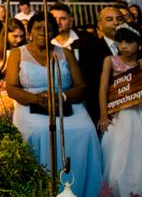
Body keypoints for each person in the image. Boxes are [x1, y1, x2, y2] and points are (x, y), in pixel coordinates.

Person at [6, 13, 102, 197]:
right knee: (41, 131)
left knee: (86, 130)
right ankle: (41, 189)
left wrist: (61, 96)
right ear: (30, 31)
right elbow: (11, 87)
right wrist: (36, 99)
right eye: (38, 28)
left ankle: (79, 188)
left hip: (65, 101)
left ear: (54, 31)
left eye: (48, 28)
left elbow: (81, 85)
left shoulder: (64, 52)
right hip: (30, 102)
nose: (43, 32)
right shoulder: (18, 53)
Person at [98, 23, 142, 196]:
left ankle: (139, 190)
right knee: (118, 154)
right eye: (120, 42)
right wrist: (103, 115)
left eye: (129, 42)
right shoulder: (110, 61)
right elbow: (103, 88)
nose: (123, 46)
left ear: (140, 44)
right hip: (119, 115)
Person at [79, 5, 142, 124]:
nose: (115, 23)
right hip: (109, 115)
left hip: (141, 109)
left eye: (119, 19)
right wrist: (102, 114)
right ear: (100, 25)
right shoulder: (88, 50)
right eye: (109, 19)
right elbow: (91, 87)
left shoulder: (140, 46)